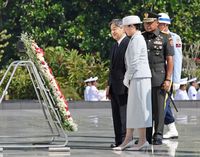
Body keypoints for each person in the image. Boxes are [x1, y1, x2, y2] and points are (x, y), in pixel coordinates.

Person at [113, 15, 152, 151]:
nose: (124, 30)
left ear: (131, 26)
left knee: (140, 108)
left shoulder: (137, 39)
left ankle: (142, 140)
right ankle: (129, 139)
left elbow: (134, 62)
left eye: (125, 27)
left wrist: (126, 78)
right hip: (136, 78)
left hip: (140, 77)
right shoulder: (134, 39)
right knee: (134, 109)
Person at [142, 12, 174, 145]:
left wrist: (168, 79)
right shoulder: (140, 37)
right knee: (146, 108)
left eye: (150, 23)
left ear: (156, 22)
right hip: (143, 77)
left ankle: (158, 134)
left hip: (159, 76)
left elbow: (170, 60)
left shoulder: (165, 38)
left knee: (159, 108)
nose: (148, 25)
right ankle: (147, 135)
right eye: (145, 23)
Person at [106, 19, 129, 148]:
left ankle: (125, 139)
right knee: (116, 115)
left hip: (124, 86)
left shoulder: (128, 43)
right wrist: (109, 85)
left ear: (122, 29)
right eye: (111, 30)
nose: (113, 32)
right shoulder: (115, 45)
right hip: (114, 86)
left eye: (115, 29)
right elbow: (112, 68)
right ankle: (118, 141)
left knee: (124, 115)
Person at [158, 13, 181, 139]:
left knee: (162, 104)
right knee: (164, 104)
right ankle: (172, 129)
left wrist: (176, 80)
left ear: (166, 24)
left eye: (160, 23)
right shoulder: (156, 36)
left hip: (169, 77)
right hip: (157, 75)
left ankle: (157, 131)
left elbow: (177, 59)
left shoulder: (174, 38)